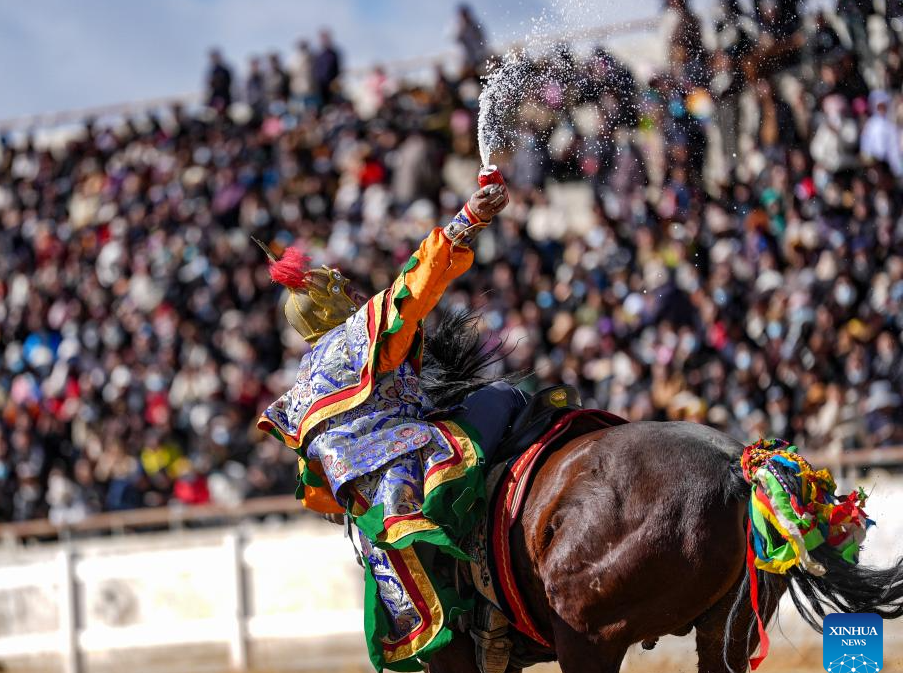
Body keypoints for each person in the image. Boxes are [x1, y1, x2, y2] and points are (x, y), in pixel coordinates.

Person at [256, 176, 526, 670]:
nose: (352, 289)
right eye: (342, 288)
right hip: (416, 460)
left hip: (370, 529)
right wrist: (468, 219)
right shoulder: (360, 334)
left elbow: (318, 491)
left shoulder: (298, 390)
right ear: (333, 304)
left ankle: (473, 614)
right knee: (509, 402)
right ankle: (497, 594)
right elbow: (414, 287)